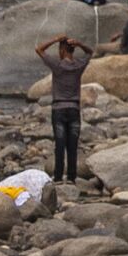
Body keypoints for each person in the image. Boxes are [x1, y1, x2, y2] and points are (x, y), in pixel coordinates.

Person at [36, 35, 93, 183]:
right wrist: (79, 43)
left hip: (59, 109)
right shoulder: (78, 66)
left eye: (59, 49)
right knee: (72, 146)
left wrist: (55, 39)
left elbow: (39, 49)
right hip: (74, 109)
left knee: (60, 145)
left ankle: (59, 176)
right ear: (72, 50)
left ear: (62, 50)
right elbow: (90, 52)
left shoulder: (57, 65)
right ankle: (72, 177)